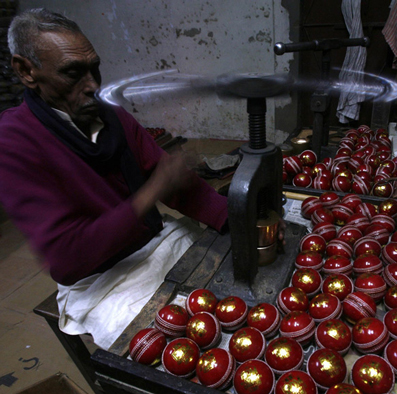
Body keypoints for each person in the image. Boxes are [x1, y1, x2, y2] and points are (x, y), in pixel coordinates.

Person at [0, 8, 232, 348]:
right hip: (99, 280)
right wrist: (150, 193)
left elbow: (175, 184)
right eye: (72, 73)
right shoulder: (13, 142)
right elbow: (68, 257)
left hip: (156, 242)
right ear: (26, 71)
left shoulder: (113, 117)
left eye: (95, 68)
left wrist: (232, 218)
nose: (93, 85)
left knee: (231, 301)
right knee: (177, 348)